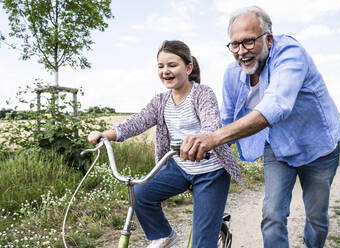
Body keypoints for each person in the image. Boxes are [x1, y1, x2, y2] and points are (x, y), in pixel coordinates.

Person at [180, 6, 340, 248]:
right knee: (272, 215)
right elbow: (225, 120)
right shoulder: (232, 74)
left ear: (268, 39)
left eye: (248, 42)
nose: (241, 51)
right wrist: (202, 142)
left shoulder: (290, 53)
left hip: (318, 147)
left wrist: (213, 139)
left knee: (316, 218)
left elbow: (277, 104)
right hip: (278, 148)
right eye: (234, 44)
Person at [88, 40, 241, 248]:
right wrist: (107, 135)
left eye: (172, 65)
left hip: (210, 171)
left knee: (202, 243)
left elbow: (211, 123)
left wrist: (202, 142)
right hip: (178, 166)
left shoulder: (203, 94)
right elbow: (138, 121)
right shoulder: (161, 101)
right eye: (161, 66)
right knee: (141, 194)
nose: (165, 71)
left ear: (188, 68)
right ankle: (163, 234)